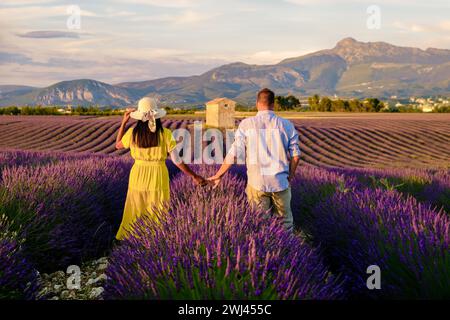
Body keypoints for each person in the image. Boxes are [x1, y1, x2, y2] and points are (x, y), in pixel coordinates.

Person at [208, 88, 301, 232]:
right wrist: (291, 175)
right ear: (273, 104)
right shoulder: (286, 125)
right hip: (280, 183)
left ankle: (264, 253)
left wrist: (218, 175)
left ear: (257, 103)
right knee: (285, 226)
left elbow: (234, 153)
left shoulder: (246, 124)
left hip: (257, 183)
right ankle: (287, 252)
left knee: (259, 226)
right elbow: (296, 156)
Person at [115, 97, 205, 240]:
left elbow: (118, 145)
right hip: (158, 174)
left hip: (138, 174)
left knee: (136, 206)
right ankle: (155, 242)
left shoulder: (133, 133)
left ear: (139, 117)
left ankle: (131, 242)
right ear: (156, 116)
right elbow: (177, 160)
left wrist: (123, 122)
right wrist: (194, 176)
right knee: (157, 209)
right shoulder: (165, 134)